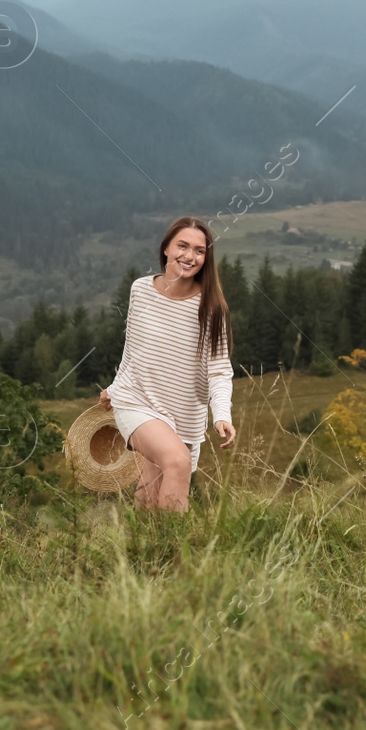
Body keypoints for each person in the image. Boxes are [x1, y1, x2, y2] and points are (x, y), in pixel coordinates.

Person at [99, 216, 236, 511]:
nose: (189, 256)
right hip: (136, 402)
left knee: (150, 496)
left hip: (183, 416)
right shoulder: (141, 290)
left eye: (199, 251)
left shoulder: (212, 308)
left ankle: (137, 552)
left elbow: (220, 370)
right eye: (182, 246)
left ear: (206, 258)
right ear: (165, 249)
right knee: (177, 462)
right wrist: (114, 387)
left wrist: (222, 414)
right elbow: (133, 349)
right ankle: (177, 554)